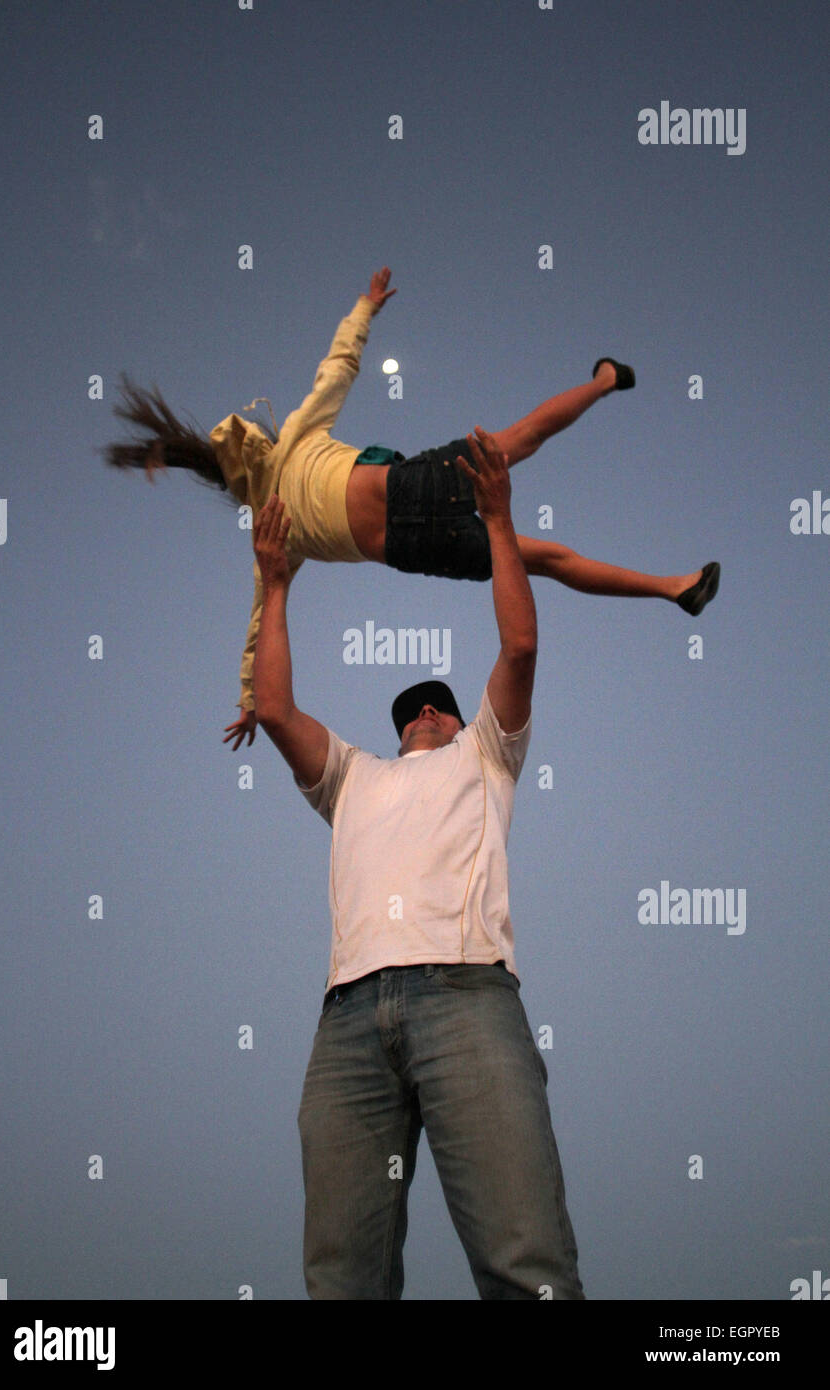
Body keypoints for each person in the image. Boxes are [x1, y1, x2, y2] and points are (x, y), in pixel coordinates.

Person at [100, 267, 719, 749]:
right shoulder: (293, 440)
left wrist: (248, 698)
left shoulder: (269, 531)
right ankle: (609, 382)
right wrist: (365, 307)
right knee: (523, 438)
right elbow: (337, 367)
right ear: (255, 440)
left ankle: (674, 587)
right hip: (408, 486)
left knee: (549, 560)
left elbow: (260, 621)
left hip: (413, 551)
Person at [251, 426, 584, 1299]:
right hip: (348, 1022)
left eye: (439, 705)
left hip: (464, 996)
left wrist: (500, 522)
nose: (429, 714)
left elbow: (518, 649)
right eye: (414, 711)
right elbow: (276, 708)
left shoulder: (486, 755)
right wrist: (275, 584)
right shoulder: (353, 777)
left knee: (526, 1263)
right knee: (342, 1279)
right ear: (399, 730)